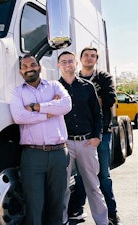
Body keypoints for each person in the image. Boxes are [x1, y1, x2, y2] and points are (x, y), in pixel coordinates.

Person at [10, 54, 72, 225]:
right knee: (34, 205)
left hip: (59, 153)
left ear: (39, 67)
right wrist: (51, 111)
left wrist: (36, 107)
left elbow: (67, 105)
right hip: (32, 155)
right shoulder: (17, 92)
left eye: (32, 64)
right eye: (24, 66)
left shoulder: (54, 85)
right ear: (21, 71)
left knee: (57, 204)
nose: (29, 68)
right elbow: (19, 116)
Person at [68, 47, 121, 225]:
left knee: (103, 175)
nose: (89, 58)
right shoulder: (74, 79)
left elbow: (110, 99)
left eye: (93, 56)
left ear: (96, 59)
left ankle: (112, 214)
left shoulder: (103, 77)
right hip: (81, 136)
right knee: (82, 175)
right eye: (86, 55)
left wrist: (89, 98)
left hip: (101, 133)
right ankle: (76, 209)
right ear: (80, 59)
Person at [57, 51, 108, 225]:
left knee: (93, 186)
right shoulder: (54, 88)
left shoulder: (87, 87)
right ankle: (62, 221)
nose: (67, 64)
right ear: (58, 65)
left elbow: (97, 114)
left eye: (70, 61)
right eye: (63, 62)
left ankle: (102, 221)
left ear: (76, 63)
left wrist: (97, 137)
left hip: (87, 143)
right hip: (65, 145)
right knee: (62, 188)